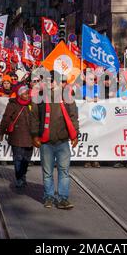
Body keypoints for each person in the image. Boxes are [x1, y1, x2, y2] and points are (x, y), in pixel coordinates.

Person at [30, 71, 79, 209]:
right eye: (48, 80)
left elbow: (74, 116)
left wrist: (76, 135)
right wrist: (34, 135)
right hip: (46, 141)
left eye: (53, 80)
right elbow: (34, 118)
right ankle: (49, 197)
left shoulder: (66, 97)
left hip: (62, 141)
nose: (50, 83)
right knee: (47, 173)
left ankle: (63, 198)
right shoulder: (39, 96)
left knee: (64, 172)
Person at [0, 85, 33, 188]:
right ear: (20, 94)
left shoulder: (32, 104)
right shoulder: (13, 104)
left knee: (26, 159)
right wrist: (1, 132)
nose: (28, 95)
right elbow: (6, 119)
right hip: (17, 136)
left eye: (28, 93)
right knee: (18, 158)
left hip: (30, 137)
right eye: (25, 94)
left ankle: (23, 175)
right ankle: (19, 178)